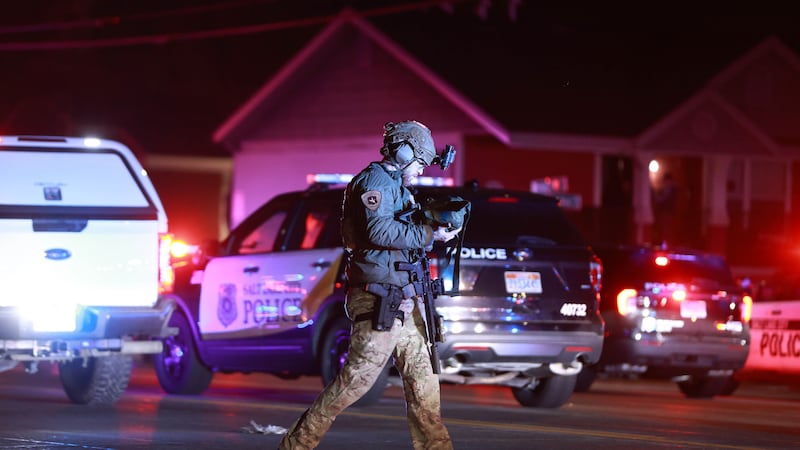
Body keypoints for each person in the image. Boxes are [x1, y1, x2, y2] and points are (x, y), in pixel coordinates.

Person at [278, 120, 459, 450]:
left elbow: (402, 231)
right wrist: (430, 234)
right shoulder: (373, 181)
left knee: (425, 385)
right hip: (379, 299)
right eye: (419, 163)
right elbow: (380, 233)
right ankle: (295, 445)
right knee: (357, 380)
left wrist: (433, 223)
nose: (420, 171)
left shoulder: (398, 188)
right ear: (404, 151)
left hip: (406, 298)